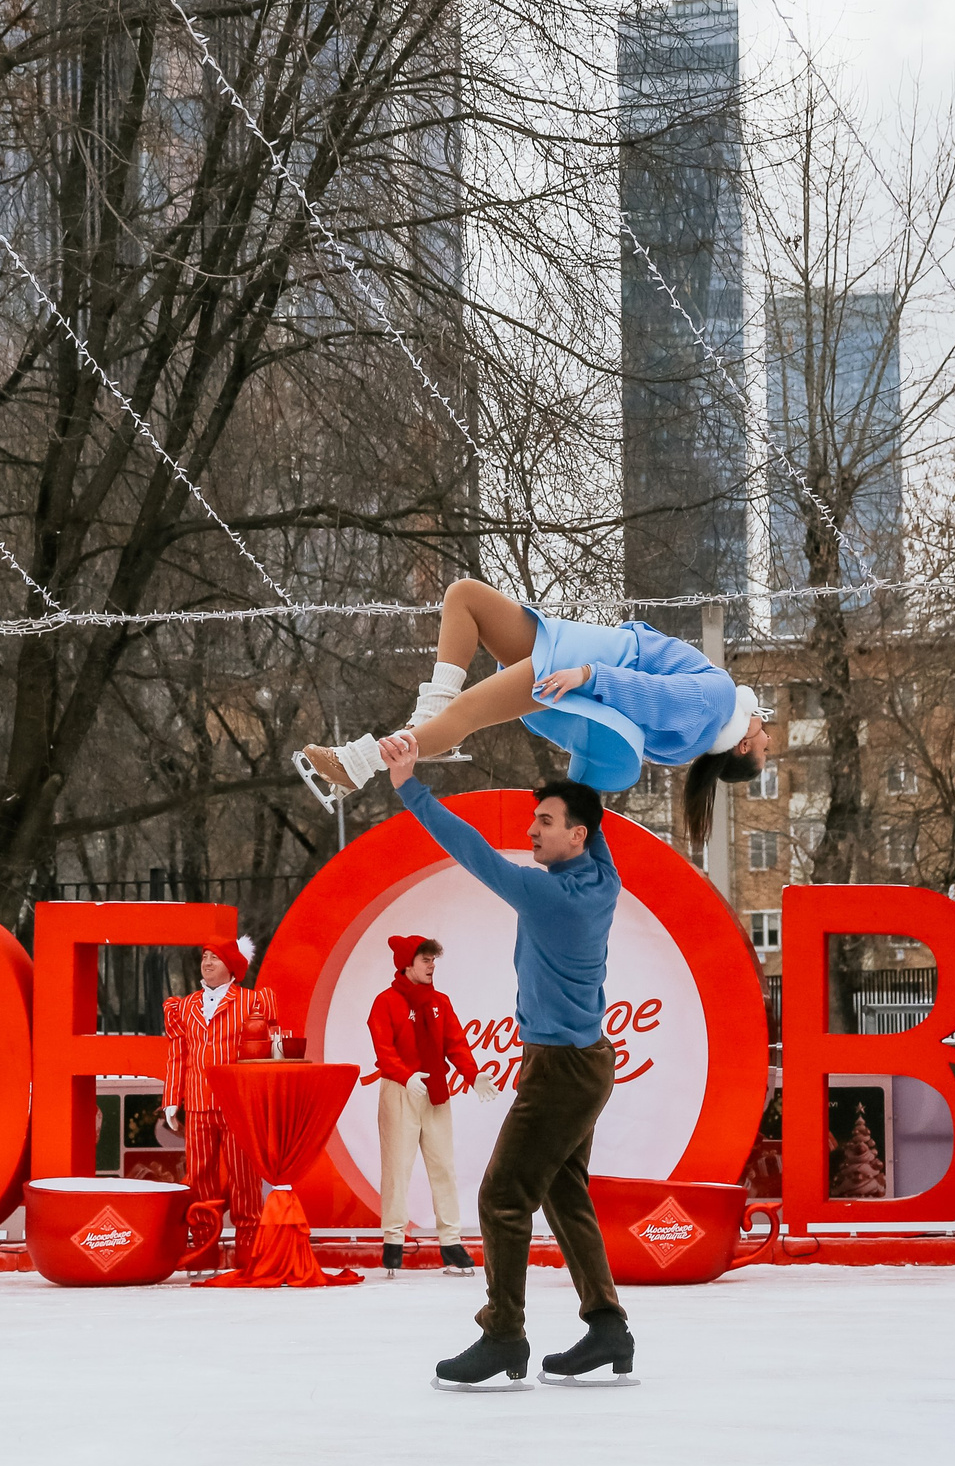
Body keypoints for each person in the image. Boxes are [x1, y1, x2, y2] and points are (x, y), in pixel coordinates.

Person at [379, 732, 633, 1390]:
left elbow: (472, 852)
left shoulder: (548, 894)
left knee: (500, 1194)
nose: (532, 830)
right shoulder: (602, 874)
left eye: (545, 822)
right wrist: (580, 735)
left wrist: (411, 787)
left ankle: (504, 1333)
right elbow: (591, 803)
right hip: (586, 1062)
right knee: (563, 1189)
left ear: (578, 835)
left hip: (560, 1069)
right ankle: (607, 1325)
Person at [294, 579, 773, 836]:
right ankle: (427, 724)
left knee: (464, 715)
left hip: (586, 664)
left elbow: (651, 691)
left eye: (765, 750)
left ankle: (359, 764)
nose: (770, 738)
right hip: (584, 654)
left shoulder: (718, 699)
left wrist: (587, 675)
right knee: (465, 598)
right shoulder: (689, 742)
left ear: (743, 744)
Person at [368, 933, 490, 1276]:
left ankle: (450, 1242)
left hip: (435, 1092)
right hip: (401, 1092)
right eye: (425, 959)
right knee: (397, 1168)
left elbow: (455, 1043)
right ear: (408, 964)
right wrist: (406, 1076)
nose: (432, 965)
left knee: (443, 1168)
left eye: (434, 959)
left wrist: (472, 1075)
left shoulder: (441, 1002)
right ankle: (393, 1242)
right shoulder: (386, 1002)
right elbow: (384, 1050)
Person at [161, 935, 278, 1268]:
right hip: (198, 1103)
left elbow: (268, 1052)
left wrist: (263, 1097)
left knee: (244, 1178)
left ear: (232, 966)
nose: (207, 963)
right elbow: (176, 1055)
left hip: (237, 1102)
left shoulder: (253, 1002)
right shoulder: (184, 1006)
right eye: (204, 957)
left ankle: (248, 1249)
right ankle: (203, 1247)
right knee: (200, 1178)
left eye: (215, 957)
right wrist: (172, 1099)